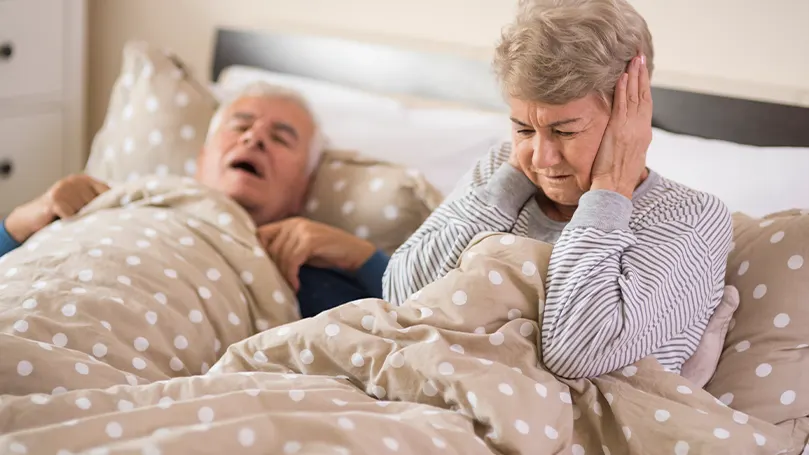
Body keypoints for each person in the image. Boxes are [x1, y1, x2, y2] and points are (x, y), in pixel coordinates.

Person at [382, 0, 733, 380]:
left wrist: (610, 191)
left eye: (564, 131)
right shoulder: (505, 169)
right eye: (524, 128)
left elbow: (577, 355)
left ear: (628, 116)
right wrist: (511, 178)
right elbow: (401, 297)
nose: (542, 158)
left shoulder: (691, 217)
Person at [0, 82, 389, 318]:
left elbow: (420, 327)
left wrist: (362, 257)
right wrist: (24, 221)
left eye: (282, 137)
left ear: (304, 187)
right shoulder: (115, 203)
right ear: (202, 160)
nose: (253, 138)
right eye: (240, 125)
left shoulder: (304, 276)